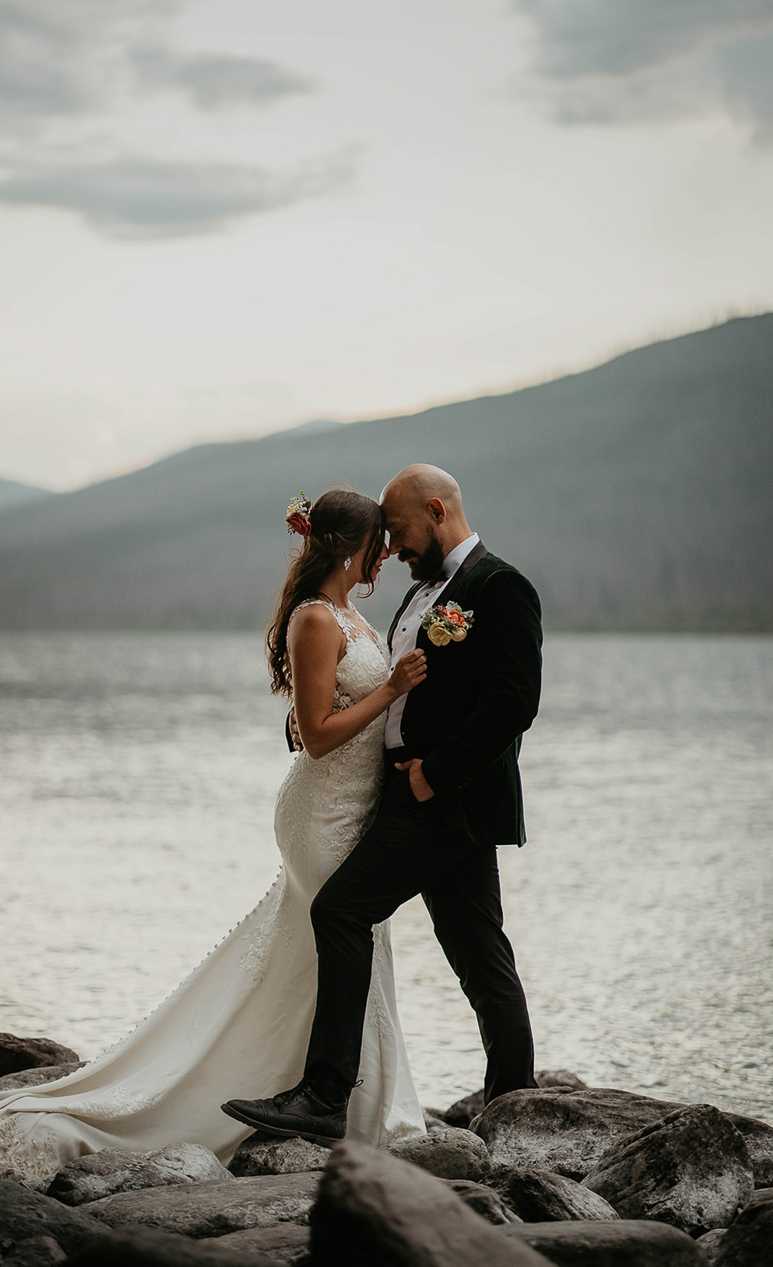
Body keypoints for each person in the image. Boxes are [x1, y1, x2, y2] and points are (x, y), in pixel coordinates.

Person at [0, 490, 428, 1181]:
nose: (384, 558)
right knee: (337, 942)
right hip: (320, 815)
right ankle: (302, 1102)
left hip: (355, 810)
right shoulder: (317, 618)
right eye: (378, 546)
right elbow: (313, 736)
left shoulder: (351, 615)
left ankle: (350, 1102)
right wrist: (391, 687)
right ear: (353, 547)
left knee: (335, 950)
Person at [222, 464, 542, 1146]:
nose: (392, 548)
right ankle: (515, 1100)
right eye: (383, 537)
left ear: (435, 510)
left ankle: (329, 1093)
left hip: (441, 800)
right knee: (479, 953)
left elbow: (512, 702)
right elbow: (371, 689)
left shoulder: (497, 585)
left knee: (345, 910)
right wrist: (310, 727)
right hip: (396, 794)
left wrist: (436, 774)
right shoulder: (419, 596)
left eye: (397, 531)